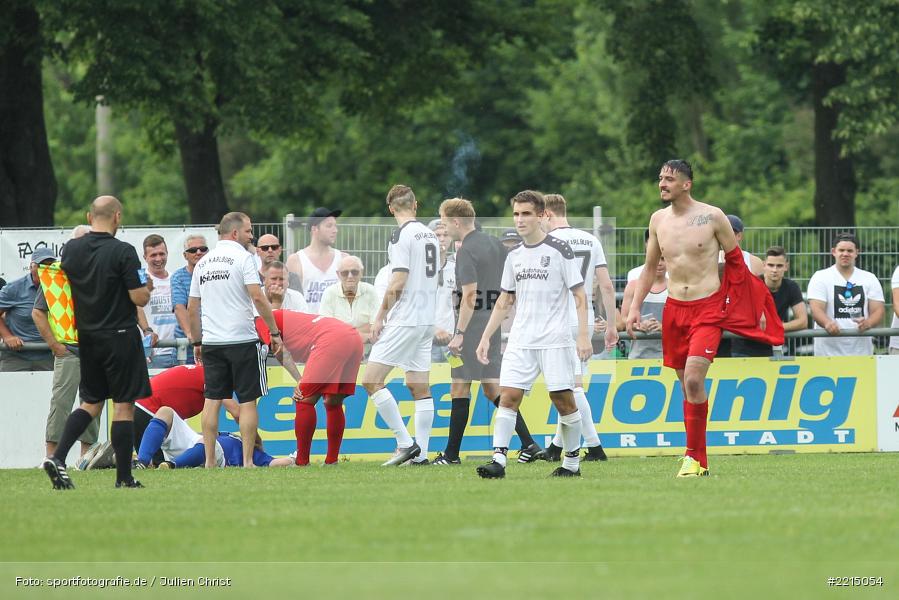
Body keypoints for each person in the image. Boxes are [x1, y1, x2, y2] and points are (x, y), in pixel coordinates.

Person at [625, 160, 783, 478]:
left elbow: (738, 263)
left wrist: (751, 307)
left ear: (687, 184)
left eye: (669, 179)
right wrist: (634, 307)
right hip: (674, 310)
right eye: (660, 178)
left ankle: (692, 457)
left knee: (695, 380)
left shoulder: (712, 216)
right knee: (686, 387)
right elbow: (648, 268)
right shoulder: (658, 220)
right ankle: (699, 459)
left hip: (707, 310)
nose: (662, 183)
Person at [473, 190, 592, 479]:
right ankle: (498, 461)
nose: (520, 219)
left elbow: (579, 294)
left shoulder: (559, 250)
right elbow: (505, 300)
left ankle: (571, 464)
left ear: (541, 216)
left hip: (554, 339)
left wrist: (584, 335)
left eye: (526, 213)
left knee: (563, 400)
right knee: (508, 397)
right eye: (516, 214)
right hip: (521, 339)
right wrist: (487, 336)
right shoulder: (513, 256)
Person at [42, 195, 153, 490]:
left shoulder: (73, 250)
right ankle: (124, 477)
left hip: (87, 338)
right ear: (117, 217)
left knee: (91, 402)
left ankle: (58, 457)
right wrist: (147, 288)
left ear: (90, 217)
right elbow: (138, 297)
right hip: (120, 336)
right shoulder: (124, 251)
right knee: (123, 406)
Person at [436, 197, 545, 465]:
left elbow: (470, 294)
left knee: (459, 387)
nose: (444, 228)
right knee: (491, 388)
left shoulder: (465, 250)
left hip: (473, 328)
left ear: (456, 221)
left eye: (445, 222)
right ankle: (529, 444)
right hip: (492, 325)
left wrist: (459, 332)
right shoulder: (496, 244)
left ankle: (451, 455)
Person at [188, 212, 282, 469]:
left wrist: (197, 341)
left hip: (213, 342)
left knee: (212, 400)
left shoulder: (203, 263)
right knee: (248, 401)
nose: (251, 235)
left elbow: (192, 306)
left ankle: (209, 461)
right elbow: (258, 297)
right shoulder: (244, 258)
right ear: (234, 233)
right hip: (242, 340)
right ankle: (249, 461)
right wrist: (273, 331)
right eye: (249, 231)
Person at [362, 185, 439, 466]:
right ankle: (423, 453)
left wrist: (380, 315)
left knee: (371, 380)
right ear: (415, 205)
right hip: (427, 319)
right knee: (419, 386)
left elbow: (398, 281)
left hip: (407, 318)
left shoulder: (400, 235)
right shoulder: (430, 234)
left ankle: (406, 444)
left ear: (391, 208)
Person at [541, 193, 618, 462]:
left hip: (559, 318)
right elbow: (606, 285)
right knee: (568, 384)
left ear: (548, 214)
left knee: (571, 388)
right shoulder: (590, 239)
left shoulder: (547, 242)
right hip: (584, 317)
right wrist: (611, 322)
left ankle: (595, 447)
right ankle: (555, 446)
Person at [257, 309, 363, 466]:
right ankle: (331, 461)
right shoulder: (279, 314)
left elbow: (279, 350)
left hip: (331, 339)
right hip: (353, 337)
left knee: (303, 399)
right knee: (333, 402)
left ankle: (301, 462)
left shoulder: (260, 320)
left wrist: (299, 380)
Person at [32, 228, 102, 460]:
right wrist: (54, 345)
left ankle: (86, 456)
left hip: (95, 349)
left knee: (93, 402)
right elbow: (38, 313)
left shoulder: (100, 270)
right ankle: (51, 456)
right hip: (68, 350)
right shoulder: (56, 275)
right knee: (61, 404)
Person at [136, 408, 291, 469]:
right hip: (196, 442)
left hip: (213, 454)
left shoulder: (254, 454)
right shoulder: (227, 434)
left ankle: (171, 466)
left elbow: (274, 463)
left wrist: (293, 459)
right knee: (165, 411)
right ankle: (142, 462)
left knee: (207, 443)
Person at [807, 233, 884, 357]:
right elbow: (816, 309)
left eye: (850, 250)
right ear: (833, 252)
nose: (845, 254)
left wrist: (868, 323)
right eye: (841, 250)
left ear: (856, 253)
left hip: (861, 352)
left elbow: (878, 310)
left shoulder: (869, 278)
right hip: (827, 353)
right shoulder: (820, 277)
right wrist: (827, 323)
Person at [731, 246, 808, 357]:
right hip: (742, 348)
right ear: (764, 265)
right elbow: (739, 318)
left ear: (786, 267)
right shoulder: (751, 284)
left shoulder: (791, 287)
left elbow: (802, 322)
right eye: (771, 265)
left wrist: (775, 327)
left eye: (779, 266)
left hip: (769, 349)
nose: (774, 270)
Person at [0, 247, 56, 372]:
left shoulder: (59, 288)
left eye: (50, 265)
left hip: (50, 355)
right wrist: (8, 337)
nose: (45, 269)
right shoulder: (14, 288)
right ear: (31, 267)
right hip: (16, 357)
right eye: (40, 265)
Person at [285, 207, 346, 312]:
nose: (335, 230)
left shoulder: (343, 259)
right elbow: (290, 300)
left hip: (336, 324)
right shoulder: (296, 260)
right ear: (314, 229)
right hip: (308, 324)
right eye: (329, 226)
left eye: (335, 226)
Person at [319, 255, 380, 345]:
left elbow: (375, 325)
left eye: (354, 272)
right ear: (338, 274)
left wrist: (342, 333)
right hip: (337, 345)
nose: (350, 276)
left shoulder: (370, 291)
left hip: (365, 347)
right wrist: (361, 334)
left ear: (361, 273)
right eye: (345, 273)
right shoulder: (329, 293)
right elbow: (326, 328)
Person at [140, 234, 177, 368]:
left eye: (162, 254)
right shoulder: (140, 281)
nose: (158, 259)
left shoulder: (175, 279)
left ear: (167, 253)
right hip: (153, 354)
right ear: (145, 257)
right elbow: (135, 308)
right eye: (153, 255)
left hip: (179, 350)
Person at [619, 256, 667, 359]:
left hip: (668, 357)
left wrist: (664, 327)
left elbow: (684, 323)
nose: (659, 263)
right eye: (656, 258)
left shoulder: (675, 287)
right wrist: (638, 326)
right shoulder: (633, 286)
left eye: (663, 258)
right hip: (638, 355)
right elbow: (623, 320)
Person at [171, 235, 209, 364]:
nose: (198, 252)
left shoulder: (214, 274)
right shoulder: (178, 277)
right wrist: (191, 335)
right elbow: (179, 307)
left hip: (212, 341)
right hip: (187, 346)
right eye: (193, 250)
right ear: (185, 255)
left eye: (203, 249)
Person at [429, 219, 455, 362]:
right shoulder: (417, 269)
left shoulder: (456, 269)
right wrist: (434, 329)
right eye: (437, 235)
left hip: (451, 343)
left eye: (446, 235)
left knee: (456, 381)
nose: (442, 239)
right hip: (424, 341)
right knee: (423, 383)